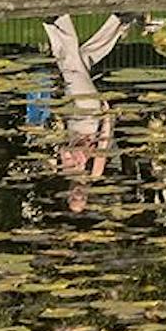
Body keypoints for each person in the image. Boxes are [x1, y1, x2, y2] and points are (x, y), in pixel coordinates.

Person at [42, 13, 127, 214]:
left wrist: (69, 150)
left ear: (68, 194)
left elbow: (65, 144)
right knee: (71, 67)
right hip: (89, 113)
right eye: (81, 199)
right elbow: (104, 142)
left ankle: (120, 21)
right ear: (87, 196)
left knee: (83, 59)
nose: (77, 195)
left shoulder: (66, 170)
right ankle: (59, 21)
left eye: (73, 198)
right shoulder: (94, 173)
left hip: (73, 111)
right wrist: (107, 116)